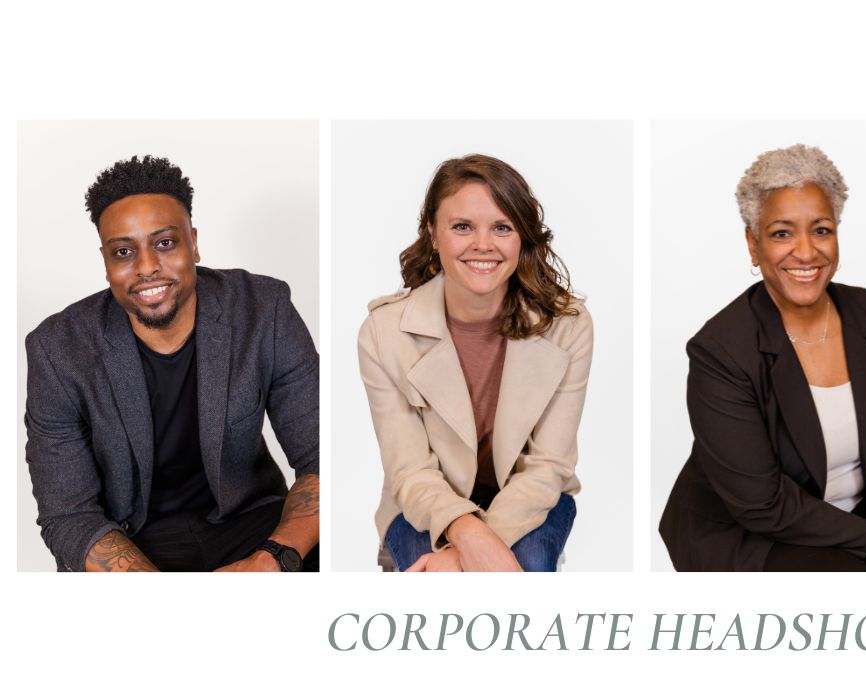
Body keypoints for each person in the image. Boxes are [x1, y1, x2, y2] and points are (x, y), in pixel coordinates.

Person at [23, 154, 320, 572]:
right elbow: (68, 514)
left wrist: (275, 558)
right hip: (133, 540)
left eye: (165, 243)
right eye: (124, 251)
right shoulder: (58, 351)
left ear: (193, 242)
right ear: (106, 261)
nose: (146, 267)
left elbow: (323, 456)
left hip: (251, 524)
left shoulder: (262, 309)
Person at [659, 144, 866, 572]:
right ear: (754, 245)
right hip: (748, 536)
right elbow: (763, 503)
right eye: (782, 233)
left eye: (821, 230)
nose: (807, 252)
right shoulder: (721, 350)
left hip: (856, 524)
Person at [360, 155, 592, 572]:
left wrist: (464, 555)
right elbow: (409, 469)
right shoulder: (383, 330)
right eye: (462, 226)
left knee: (525, 567)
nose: (482, 244)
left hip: (530, 496)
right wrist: (463, 534)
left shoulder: (568, 326)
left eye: (502, 227)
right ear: (432, 233)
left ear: (522, 236)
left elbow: (549, 465)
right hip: (425, 501)